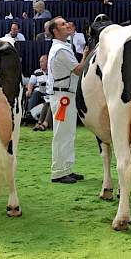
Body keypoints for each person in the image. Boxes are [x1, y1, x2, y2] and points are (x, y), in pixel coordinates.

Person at [47, 16, 89, 184]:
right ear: (55, 31)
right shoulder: (61, 50)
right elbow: (78, 70)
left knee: (68, 133)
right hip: (62, 95)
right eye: (62, 24)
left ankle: (66, 168)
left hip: (65, 94)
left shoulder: (62, 47)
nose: (67, 25)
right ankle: (58, 172)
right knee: (62, 134)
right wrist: (86, 55)